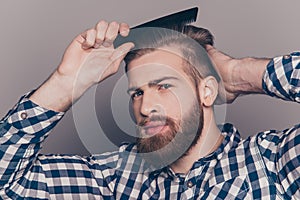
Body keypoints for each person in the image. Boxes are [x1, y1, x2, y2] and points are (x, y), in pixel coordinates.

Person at [0, 20, 299, 199]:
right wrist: (65, 84)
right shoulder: (119, 177)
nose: (145, 106)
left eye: (164, 86)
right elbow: (7, 184)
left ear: (206, 91)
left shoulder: (272, 160)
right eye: (137, 92)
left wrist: (239, 73)